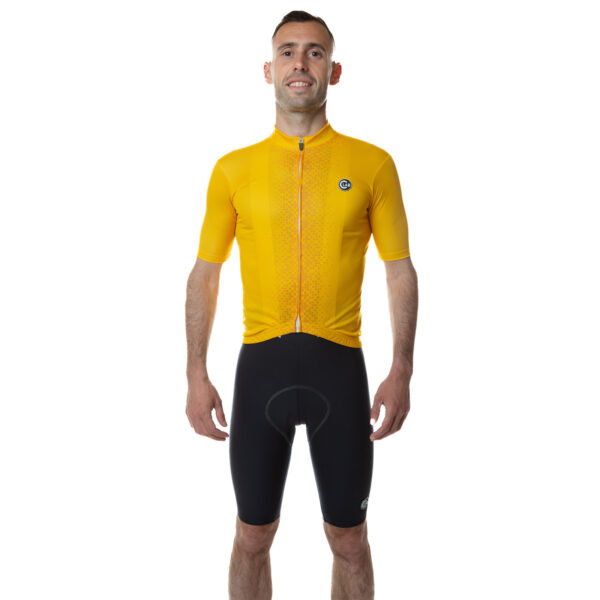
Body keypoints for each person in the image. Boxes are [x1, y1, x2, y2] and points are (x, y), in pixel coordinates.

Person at [185, 10, 418, 600]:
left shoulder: (372, 164)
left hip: (338, 366)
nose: (300, 62)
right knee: (251, 535)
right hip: (259, 365)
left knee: (350, 540)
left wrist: (401, 369)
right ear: (268, 70)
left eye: (315, 52)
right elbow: (205, 275)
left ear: (333, 71)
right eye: (287, 51)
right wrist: (195, 374)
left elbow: (399, 270)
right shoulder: (232, 169)